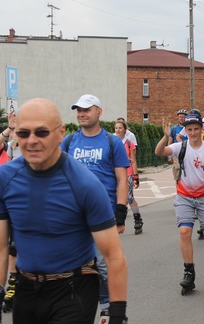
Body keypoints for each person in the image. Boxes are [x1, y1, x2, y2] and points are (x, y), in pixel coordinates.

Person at [0, 98, 128, 324]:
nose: (31, 141)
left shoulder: (85, 184)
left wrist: (118, 315)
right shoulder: (2, 179)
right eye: (23, 133)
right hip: (26, 290)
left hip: (73, 289)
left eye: (41, 132)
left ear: (60, 133)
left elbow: (113, 255)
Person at [60, 94, 129, 319]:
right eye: (78, 110)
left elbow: (121, 179)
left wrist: (120, 212)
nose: (81, 113)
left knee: (102, 263)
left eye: (86, 109)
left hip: (103, 214)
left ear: (98, 112)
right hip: (72, 215)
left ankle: (109, 308)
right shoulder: (69, 142)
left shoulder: (112, 142)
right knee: (72, 263)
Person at [154, 114, 204, 294]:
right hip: (184, 196)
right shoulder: (180, 147)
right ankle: (189, 272)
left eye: (196, 129)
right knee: (185, 232)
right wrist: (165, 137)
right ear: (185, 131)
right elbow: (159, 152)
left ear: (201, 129)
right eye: (189, 129)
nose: (193, 133)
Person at [0, 111, 22, 312]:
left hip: (18, 198)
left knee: (14, 246)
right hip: (2, 197)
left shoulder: (25, 147)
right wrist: (9, 128)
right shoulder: (7, 147)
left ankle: (14, 283)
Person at [115, 119, 143, 235]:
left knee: (130, 197)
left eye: (120, 128)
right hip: (116, 174)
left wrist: (136, 176)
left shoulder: (129, 143)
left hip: (128, 173)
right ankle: (118, 221)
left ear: (125, 129)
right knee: (116, 198)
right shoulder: (112, 142)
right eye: (116, 128)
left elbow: (134, 160)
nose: (118, 130)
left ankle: (138, 219)